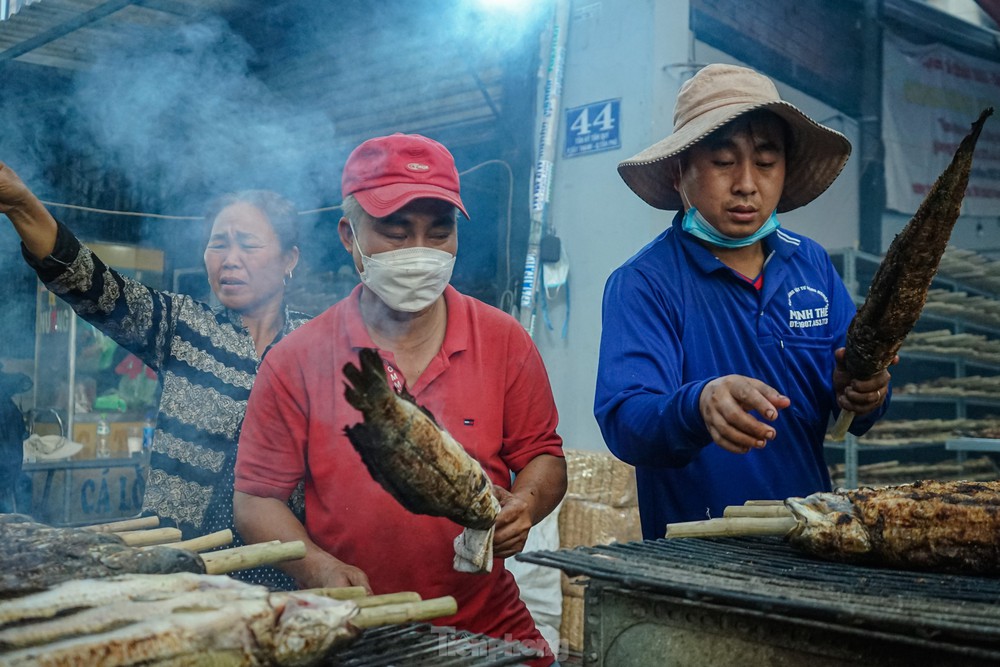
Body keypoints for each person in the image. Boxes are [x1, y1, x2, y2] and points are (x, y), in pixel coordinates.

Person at [233, 133, 566, 665]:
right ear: (350, 235)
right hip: (356, 631)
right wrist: (315, 566)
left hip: (488, 630)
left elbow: (544, 457)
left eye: (439, 232)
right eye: (395, 232)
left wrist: (526, 504)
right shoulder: (296, 359)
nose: (420, 252)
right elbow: (256, 499)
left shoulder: (504, 341)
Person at [594, 63, 893, 540]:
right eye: (723, 160)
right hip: (696, 554)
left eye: (766, 160)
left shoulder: (810, 264)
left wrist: (866, 392)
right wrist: (698, 404)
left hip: (808, 541)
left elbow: (853, 402)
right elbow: (627, 420)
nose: (747, 184)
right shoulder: (644, 283)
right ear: (679, 173)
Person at [0, 163, 309, 587]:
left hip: (284, 563)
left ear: (289, 258)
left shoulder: (315, 344)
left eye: (248, 245)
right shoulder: (183, 324)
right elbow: (90, 284)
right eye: (218, 244)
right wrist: (21, 203)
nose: (230, 259)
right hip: (182, 560)